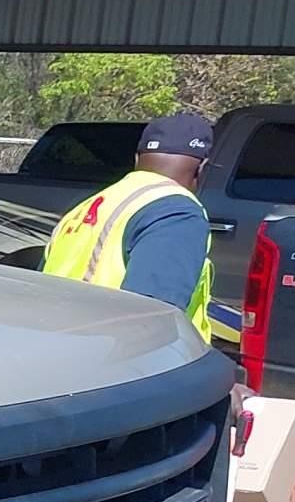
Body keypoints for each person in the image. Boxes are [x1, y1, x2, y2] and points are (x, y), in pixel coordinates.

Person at [42, 109, 215, 337]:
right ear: (202, 168)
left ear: (136, 158)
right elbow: (153, 318)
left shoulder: (90, 205)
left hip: (55, 344)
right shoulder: (177, 213)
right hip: (112, 358)